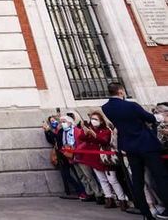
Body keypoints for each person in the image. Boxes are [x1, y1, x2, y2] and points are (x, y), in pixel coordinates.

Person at [102, 82, 168, 220]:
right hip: (147, 145)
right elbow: (149, 118)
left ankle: (145, 212)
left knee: (137, 180)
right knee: (160, 176)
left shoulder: (106, 108)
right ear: (121, 91)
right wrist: (162, 117)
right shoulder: (131, 105)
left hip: (129, 147)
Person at [75, 111, 129, 211]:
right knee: (102, 180)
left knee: (112, 180)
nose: (93, 121)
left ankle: (122, 199)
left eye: (96, 119)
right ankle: (109, 198)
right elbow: (81, 138)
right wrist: (86, 132)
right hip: (95, 159)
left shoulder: (105, 130)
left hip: (106, 159)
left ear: (101, 120)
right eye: (92, 119)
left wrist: (94, 135)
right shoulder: (90, 129)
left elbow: (104, 141)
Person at [54, 115, 87, 200]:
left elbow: (82, 142)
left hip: (76, 155)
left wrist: (75, 150)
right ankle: (81, 191)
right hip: (65, 156)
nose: (62, 123)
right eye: (61, 122)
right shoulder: (61, 131)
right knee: (69, 175)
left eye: (63, 121)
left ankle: (86, 192)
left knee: (82, 175)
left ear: (70, 122)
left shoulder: (76, 130)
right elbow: (56, 141)